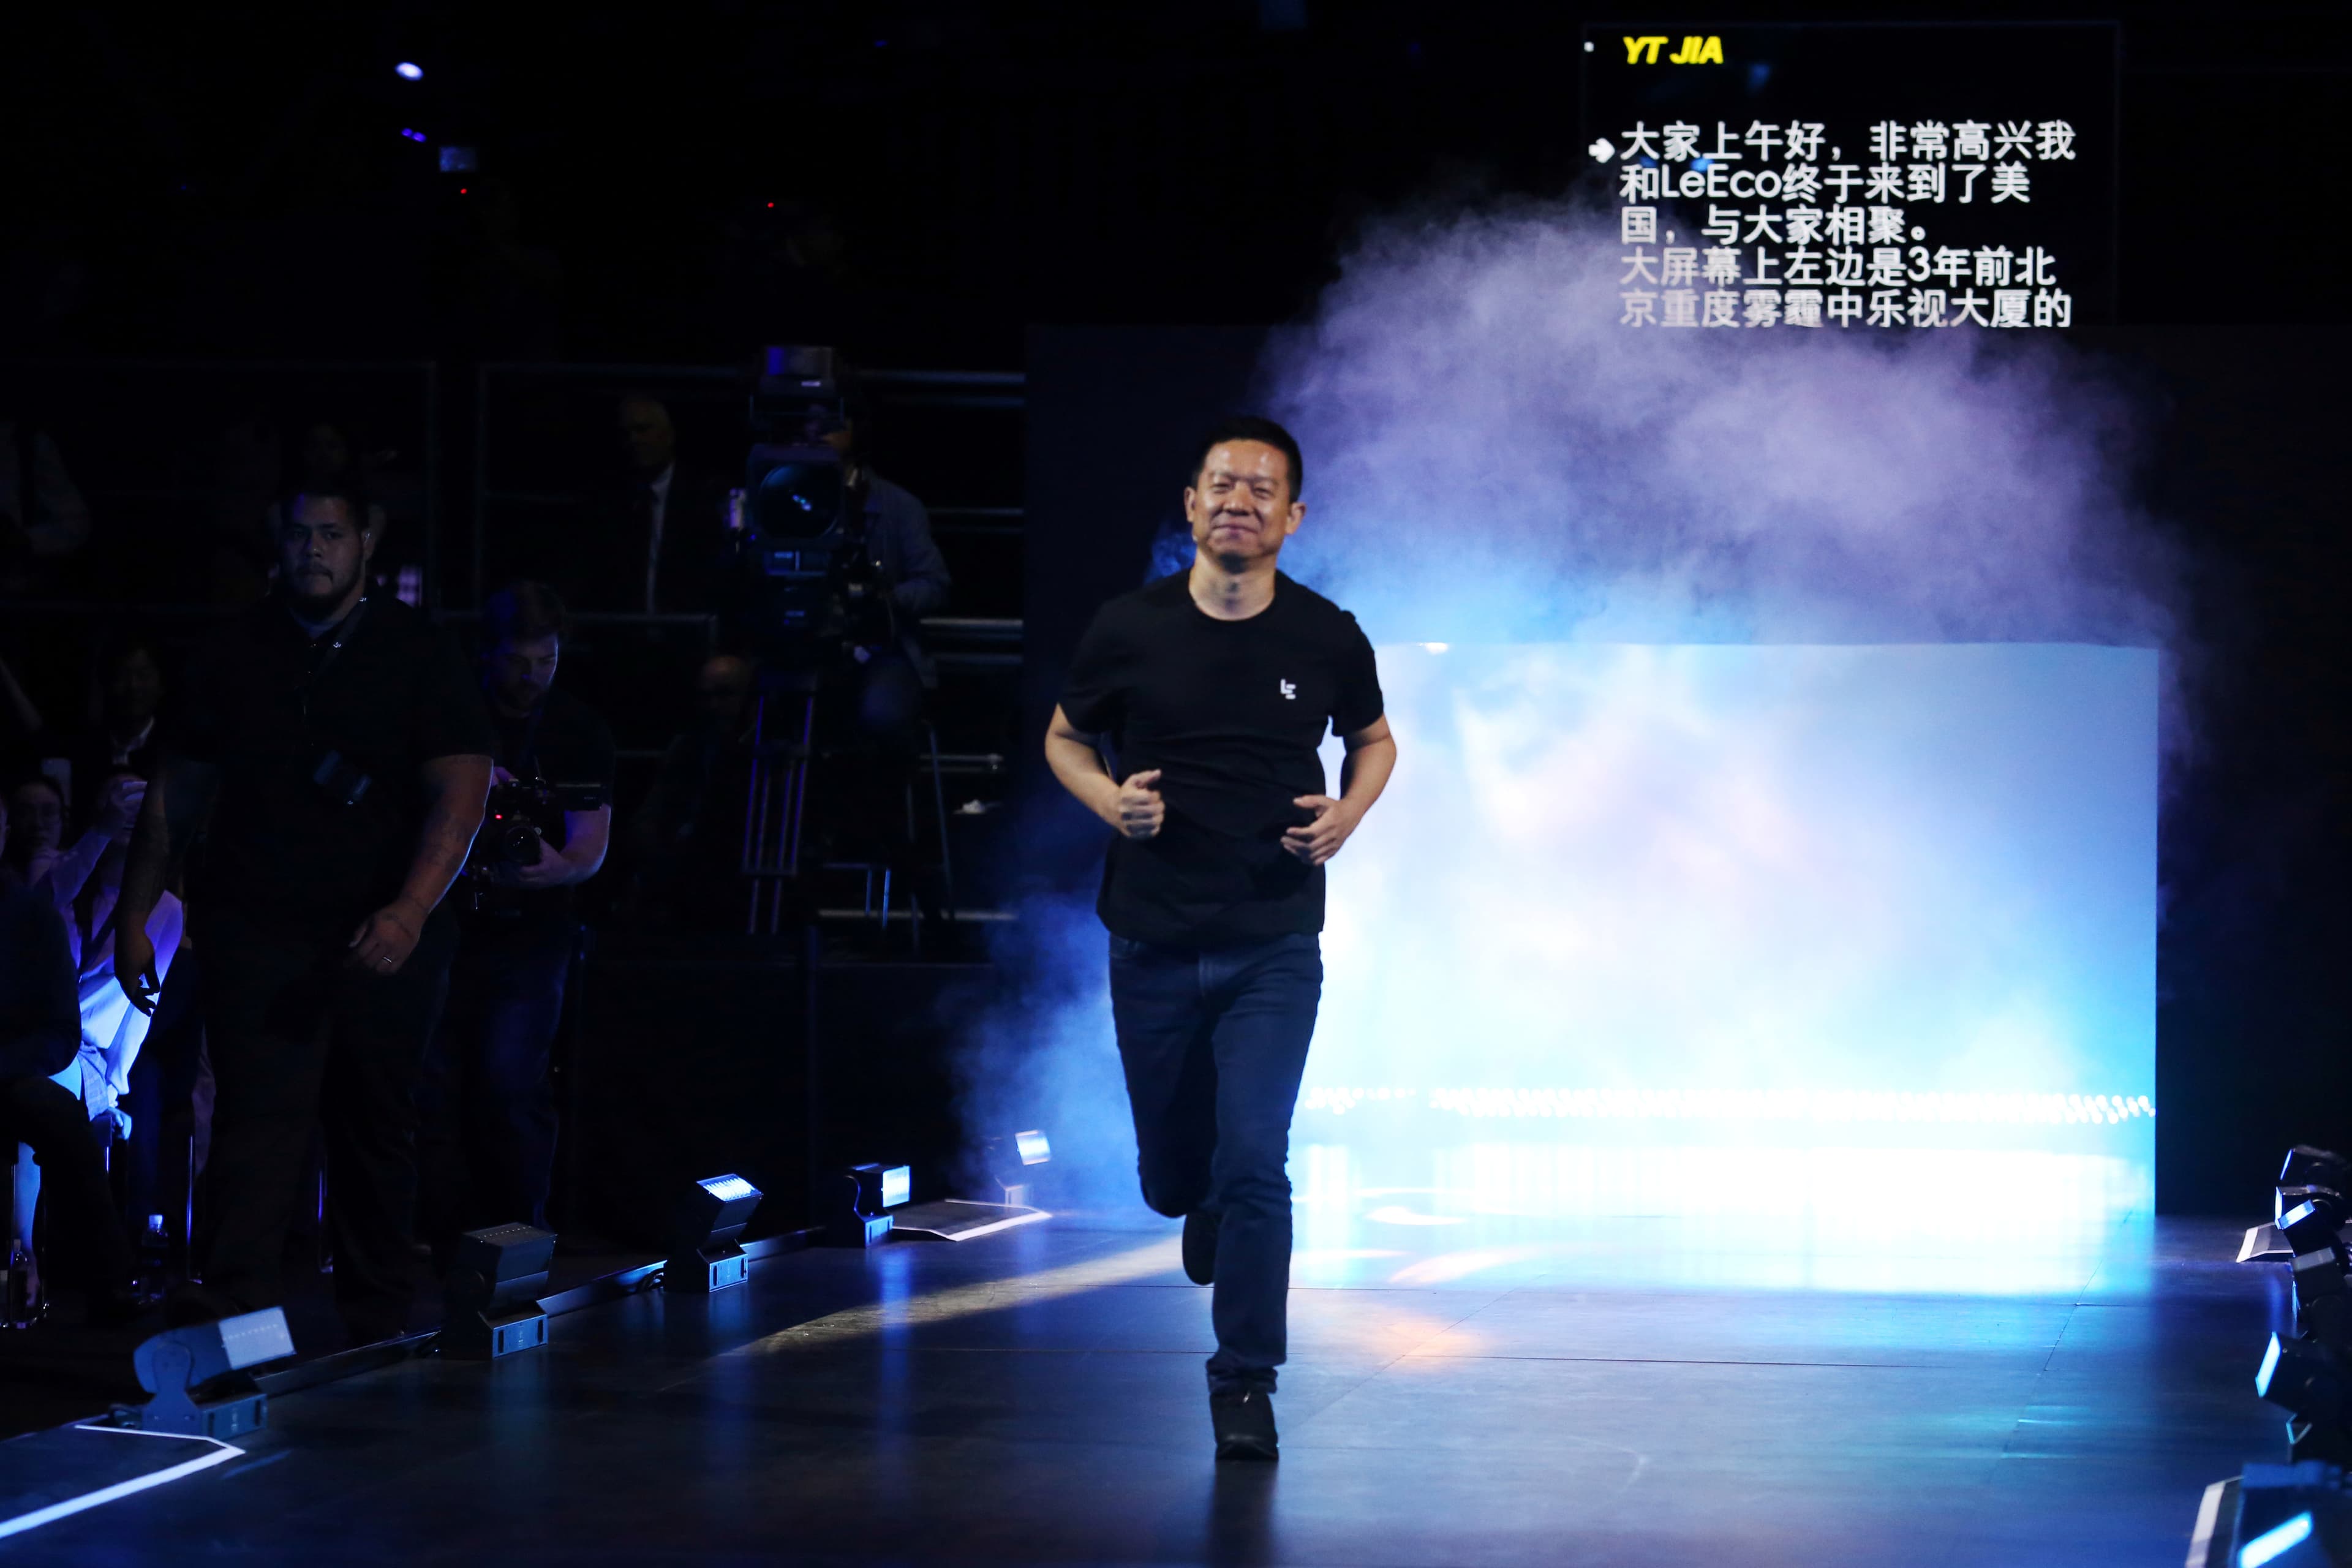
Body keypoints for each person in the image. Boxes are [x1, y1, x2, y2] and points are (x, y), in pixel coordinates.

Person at [1044, 416, 1396, 1463]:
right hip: (1151, 938)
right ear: (1192, 505)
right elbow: (1065, 737)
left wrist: (1348, 814)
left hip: (1272, 940)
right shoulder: (1128, 627)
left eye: (1262, 489)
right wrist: (1110, 801)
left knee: (1255, 1161)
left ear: (1294, 516)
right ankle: (1191, 1196)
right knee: (1172, 1176)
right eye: (1222, 485)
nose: (1240, 501)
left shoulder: (1327, 635)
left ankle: (1245, 1378)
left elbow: (1374, 741)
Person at [113, 480, 494, 1344]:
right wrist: (135, 915)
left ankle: (377, 1313)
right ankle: (235, 1308)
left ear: (366, 541)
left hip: (380, 928)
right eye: (298, 534)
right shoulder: (232, 651)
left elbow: (462, 790)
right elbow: (176, 792)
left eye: (330, 533)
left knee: (372, 1118)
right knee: (255, 1117)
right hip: (257, 924)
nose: (314, 549)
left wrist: (410, 908)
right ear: (275, 543)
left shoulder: (417, 651)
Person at [420, 582, 613, 1244]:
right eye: (519, 661)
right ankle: (443, 1237)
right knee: (434, 1085)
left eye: (546, 661)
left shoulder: (578, 728)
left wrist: (555, 868)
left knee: (511, 1084)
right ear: (489, 653)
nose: (533, 676)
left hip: (533, 931)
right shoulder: (450, 716)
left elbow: (590, 841)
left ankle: (523, 1237)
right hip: (445, 921)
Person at [0, 788, 142, 1325]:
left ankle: (108, 1281)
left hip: (10, 1069)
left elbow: (60, 1029)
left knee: (61, 1113)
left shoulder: (31, 915)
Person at [631, 653, 756, 929]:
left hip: (737, 877)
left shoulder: (765, 754)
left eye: (725, 694)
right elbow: (650, 815)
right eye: (705, 696)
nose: (714, 706)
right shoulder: (688, 747)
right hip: (683, 873)